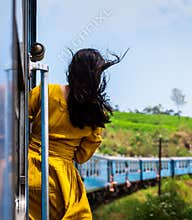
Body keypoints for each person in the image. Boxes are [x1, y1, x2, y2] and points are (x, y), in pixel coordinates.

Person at [28, 48, 122, 219]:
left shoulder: (46, 91)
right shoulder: (96, 113)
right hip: (61, 183)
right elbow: (81, 157)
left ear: (72, 70)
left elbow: (18, 120)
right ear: (96, 77)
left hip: (30, 171)